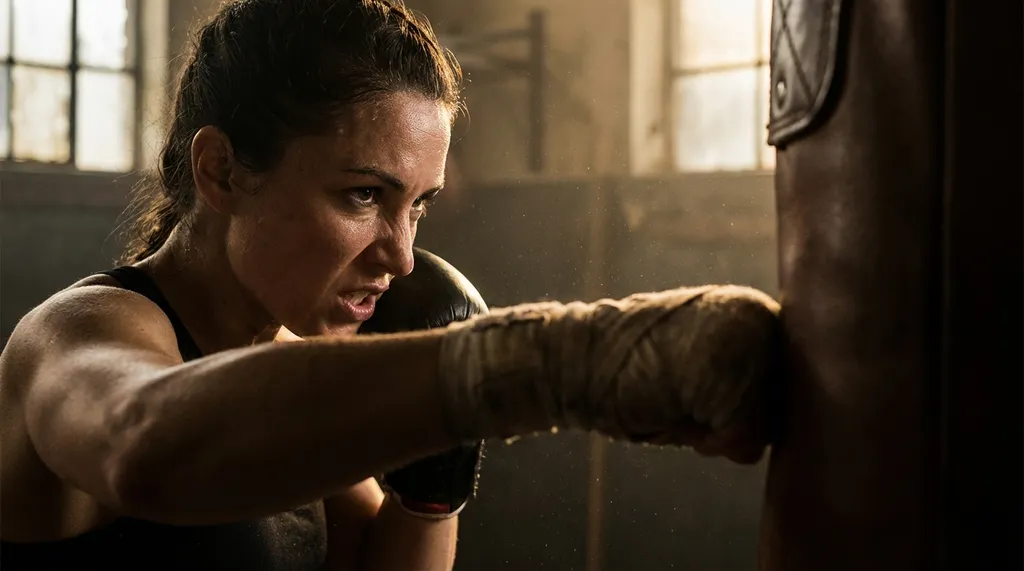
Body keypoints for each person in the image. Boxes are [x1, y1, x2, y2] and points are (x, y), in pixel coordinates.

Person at [0, 0, 781, 569]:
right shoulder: (76, 334)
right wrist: (548, 363)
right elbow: (145, 444)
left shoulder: (299, 385)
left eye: (420, 206)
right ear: (222, 171)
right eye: (363, 196)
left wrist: (433, 465)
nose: (402, 258)